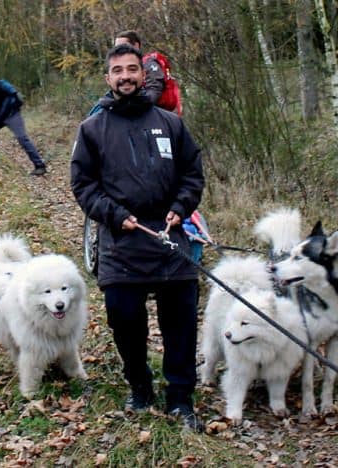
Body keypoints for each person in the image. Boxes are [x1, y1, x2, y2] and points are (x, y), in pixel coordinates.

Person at [70, 44, 205, 432]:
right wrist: (115, 215)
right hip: (120, 240)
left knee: (180, 322)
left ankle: (180, 398)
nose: (126, 75)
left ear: (142, 75)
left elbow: (192, 174)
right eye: (118, 70)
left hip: (170, 236)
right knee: (125, 320)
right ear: (108, 78)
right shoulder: (91, 129)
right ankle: (140, 387)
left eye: (132, 69)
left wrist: (181, 206)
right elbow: (82, 185)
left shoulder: (170, 123)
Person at [113, 30, 165, 107]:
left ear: (136, 46)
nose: (118, 50)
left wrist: (137, 107)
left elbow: (154, 90)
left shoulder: (149, 64)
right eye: (116, 47)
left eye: (122, 46)